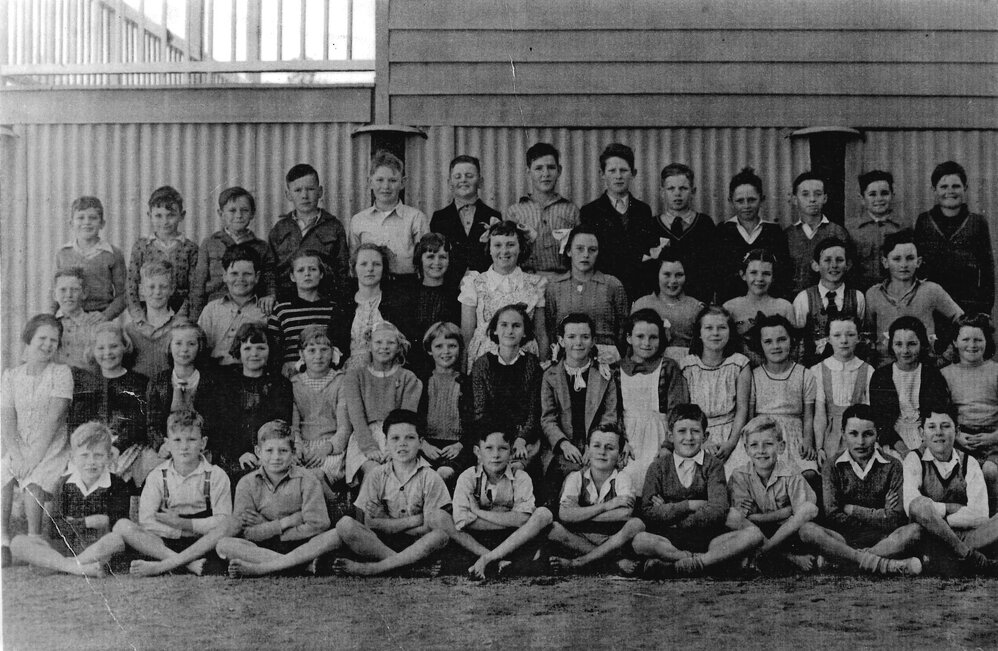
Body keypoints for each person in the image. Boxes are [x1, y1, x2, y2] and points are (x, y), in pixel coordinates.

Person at [632, 404, 764, 578]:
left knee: (753, 534)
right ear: (670, 436)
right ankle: (702, 561)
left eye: (695, 431)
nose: (689, 437)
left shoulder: (713, 465)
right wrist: (690, 505)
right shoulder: (658, 467)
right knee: (640, 541)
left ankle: (689, 565)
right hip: (669, 540)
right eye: (682, 431)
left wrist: (673, 514)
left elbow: (718, 509)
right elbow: (648, 511)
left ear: (705, 436)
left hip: (708, 538)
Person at [800, 404, 923, 575]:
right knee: (807, 530)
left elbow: (894, 518)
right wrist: (880, 513)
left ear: (877, 434)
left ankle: (845, 561)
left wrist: (851, 509)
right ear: (843, 433)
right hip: (842, 539)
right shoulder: (832, 466)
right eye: (853, 434)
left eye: (868, 434)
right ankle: (884, 565)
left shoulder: (893, 466)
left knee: (915, 531)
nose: (860, 442)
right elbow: (832, 515)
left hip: (883, 540)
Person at [113, 409, 232, 577]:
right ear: (167, 444)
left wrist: (185, 524)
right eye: (177, 440)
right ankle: (187, 563)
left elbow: (223, 521)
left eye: (191, 440)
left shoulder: (215, 475)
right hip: (166, 542)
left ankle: (166, 565)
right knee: (122, 526)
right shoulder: (157, 475)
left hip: (204, 541)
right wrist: (178, 531)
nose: (184, 447)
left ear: (203, 443)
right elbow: (147, 521)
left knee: (229, 526)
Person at [332, 409, 451, 576]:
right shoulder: (377, 475)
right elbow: (369, 523)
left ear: (420, 442)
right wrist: (414, 520)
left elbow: (427, 528)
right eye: (395, 438)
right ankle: (410, 568)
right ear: (386, 443)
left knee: (440, 535)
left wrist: (385, 521)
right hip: (380, 544)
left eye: (410, 438)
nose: (402, 444)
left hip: (418, 544)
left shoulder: (431, 477)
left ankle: (372, 569)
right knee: (345, 525)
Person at [431, 428, 554, 579]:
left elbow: (523, 519)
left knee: (544, 514)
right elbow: (462, 521)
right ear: (477, 451)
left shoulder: (521, 477)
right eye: (489, 448)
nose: (496, 455)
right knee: (439, 516)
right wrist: (510, 519)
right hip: (476, 539)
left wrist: (478, 512)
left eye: (503, 448)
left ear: (511, 452)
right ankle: (496, 559)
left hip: (511, 539)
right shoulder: (468, 477)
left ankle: (488, 559)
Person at [10, 422, 128, 577]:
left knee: (116, 540)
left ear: (109, 457)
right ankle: (75, 567)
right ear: (73, 458)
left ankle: (62, 565)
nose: (91, 461)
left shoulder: (117, 484)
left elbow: (116, 523)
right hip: (67, 547)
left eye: (98, 455)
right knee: (18, 543)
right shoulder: (64, 484)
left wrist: (73, 523)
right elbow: (55, 527)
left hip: (99, 548)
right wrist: (87, 522)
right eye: (84, 455)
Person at [1, 314, 73, 567]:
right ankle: (4, 541)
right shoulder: (11, 376)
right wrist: (18, 454)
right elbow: (7, 420)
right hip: (19, 444)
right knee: (2, 473)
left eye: (54, 340)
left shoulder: (61, 373)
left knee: (34, 478)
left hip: (51, 445)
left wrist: (32, 458)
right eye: (42, 338)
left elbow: (54, 420)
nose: (48, 344)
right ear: (29, 339)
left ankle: (34, 540)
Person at [216, 420, 331, 578]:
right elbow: (244, 532)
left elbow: (318, 524)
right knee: (224, 545)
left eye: (283, 451)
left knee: (331, 538)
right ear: (258, 451)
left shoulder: (308, 479)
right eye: (269, 450)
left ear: (293, 452)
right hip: (261, 548)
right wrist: (286, 522)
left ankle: (279, 565)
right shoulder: (247, 484)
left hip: (301, 545)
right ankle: (301, 566)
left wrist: (268, 528)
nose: (276, 457)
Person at [901, 409, 998, 575]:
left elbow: (980, 514)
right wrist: (955, 508)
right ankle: (969, 558)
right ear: (921, 433)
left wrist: (939, 513)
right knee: (919, 505)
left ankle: (945, 559)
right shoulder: (914, 459)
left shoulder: (969, 462)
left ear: (957, 431)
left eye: (945, 426)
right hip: (929, 537)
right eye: (932, 427)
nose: (939, 433)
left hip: (968, 536)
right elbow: (911, 506)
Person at [541, 314, 619, 505]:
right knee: (555, 489)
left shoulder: (604, 374)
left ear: (593, 341)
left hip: (596, 445)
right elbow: (548, 418)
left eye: (585, 337)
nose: (578, 343)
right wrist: (564, 444)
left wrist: (594, 445)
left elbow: (610, 415)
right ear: (561, 340)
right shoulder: (550, 375)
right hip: (563, 447)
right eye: (571, 337)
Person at [548, 424, 646, 575]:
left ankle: (579, 563)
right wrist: (607, 506)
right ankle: (614, 563)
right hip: (580, 538)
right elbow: (565, 515)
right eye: (596, 446)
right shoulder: (576, 477)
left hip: (612, 539)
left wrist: (580, 515)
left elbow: (625, 514)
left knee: (636, 524)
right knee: (554, 529)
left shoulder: (622, 478)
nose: (602, 452)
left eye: (610, 448)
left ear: (620, 455)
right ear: (587, 450)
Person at [725, 416, 819, 571]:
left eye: (768, 444)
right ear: (746, 449)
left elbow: (803, 512)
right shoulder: (739, 475)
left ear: (781, 447)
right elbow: (743, 517)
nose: (761, 451)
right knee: (731, 516)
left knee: (809, 509)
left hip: (787, 533)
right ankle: (788, 557)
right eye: (754, 445)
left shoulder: (791, 473)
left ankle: (763, 552)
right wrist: (785, 512)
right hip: (755, 532)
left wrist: (760, 516)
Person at [205, 323, 293, 481]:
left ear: (270, 350)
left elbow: (281, 424)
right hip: (231, 454)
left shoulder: (280, 384)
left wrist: (262, 453)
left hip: (270, 453)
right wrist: (239, 453)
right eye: (247, 348)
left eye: (261, 348)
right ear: (238, 349)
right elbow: (217, 426)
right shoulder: (225, 382)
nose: (254, 354)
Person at [864, 229, 963, 365]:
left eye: (910, 258)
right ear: (885, 262)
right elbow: (867, 335)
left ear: (918, 261)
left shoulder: (931, 290)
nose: (904, 265)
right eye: (897, 259)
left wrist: (947, 356)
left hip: (925, 367)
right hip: (885, 368)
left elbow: (962, 320)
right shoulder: (873, 294)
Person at [459, 220, 548, 371]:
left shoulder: (535, 284)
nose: (504, 251)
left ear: (520, 248)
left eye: (510, 244)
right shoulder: (475, 282)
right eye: (498, 245)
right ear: (490, 249)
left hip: (525, 361)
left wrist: (544, 366)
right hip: (485, 361)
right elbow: (467, 336)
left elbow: (540, 332)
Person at [342, 321, 423, 486]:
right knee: (373, 471)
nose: (384, 347)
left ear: (399, 347)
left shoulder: (408, 378)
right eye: (378, 342)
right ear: (369, 345)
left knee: (396, 471)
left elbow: (406, 420)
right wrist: (369, 448)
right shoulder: (355, 377)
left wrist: (391, 448)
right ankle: (364, 512)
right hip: (364, 438)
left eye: (390, 342)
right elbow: (357, 417)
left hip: (397, 437)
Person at [619, 309, 689, 492]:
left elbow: (677, 410)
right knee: (627, 479)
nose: (646, 343)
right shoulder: (616, 370)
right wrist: (620, 441)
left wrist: (668, 445)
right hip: (628, 439)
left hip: (659, 434)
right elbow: (613, 411)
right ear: (628, 338)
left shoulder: (668, 367)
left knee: (659, 478)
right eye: (640, 336)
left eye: (653, 337)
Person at [471, 303, 543, 476]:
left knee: (520, 470)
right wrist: (501, 441)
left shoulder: (532, 365)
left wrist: (521, 439)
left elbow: (534, 411)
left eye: (516, 326)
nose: (510, 331)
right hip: (493, 438)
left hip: (524, 438)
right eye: (504, 325)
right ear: (494, 330)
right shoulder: (483, 364)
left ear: (525, 332)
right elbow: (480, 411)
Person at [749, 314, 819, 491]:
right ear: (760, 345)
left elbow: (809, 416)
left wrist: (808, 440)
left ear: (792, 340)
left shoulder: (804, 375)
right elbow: (749, 417)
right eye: (768, 341)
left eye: (781, 340)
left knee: (807, 473)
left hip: (793, 436)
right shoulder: (754, 375)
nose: (776, 346)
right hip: (762, 435)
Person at [914, 160, 994, 316]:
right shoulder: (924, 221)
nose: (950, 191)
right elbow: (917, 265)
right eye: (943, 186)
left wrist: (985, 309)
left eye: (956, 186)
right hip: (932, 303)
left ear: (965, 188)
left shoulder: (977, 222)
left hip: (969, 302)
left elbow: (987, 270)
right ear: (934, 189)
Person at [578, 143, 657, 300]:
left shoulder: (643, 210)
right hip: (603, 290)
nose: (618, 176)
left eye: (623, 170)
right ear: (602, 174)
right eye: (612, 171)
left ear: (633, 173)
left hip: (638, 289)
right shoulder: (590, 211)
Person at [681, 306, 752, 476]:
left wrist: (731, 443)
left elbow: (742, 408)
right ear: (699, 333)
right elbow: (685, 411)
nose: (715, 333)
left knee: (737, 475)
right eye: (709, 328)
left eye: (722, 328)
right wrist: (703, 442)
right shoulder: (687, 366)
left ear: (729, 332)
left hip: (732, 433)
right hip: (696, 434)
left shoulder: (739, 364)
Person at [544, 224, 628, 365]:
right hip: (567, 358)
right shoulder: (555, 286)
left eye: (592, 250)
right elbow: (551, 328)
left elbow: (623, 328)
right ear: (569, 251)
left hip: (607, 359)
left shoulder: (612, 285)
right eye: (579, 249)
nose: (586, 255)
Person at [869, 316, 952, 459]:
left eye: (912, 344)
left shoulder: (931, 374)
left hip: (927, 438)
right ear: (891, 346)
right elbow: (880, 421)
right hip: (892, 441)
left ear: (922, 343)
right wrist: (904, 451)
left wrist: (923, 447)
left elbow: (938, 413)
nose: (905, 350)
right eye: (898, 344)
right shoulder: (881, 376)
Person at [268, 163, 349, 302]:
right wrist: (271, 295)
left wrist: (339, 301)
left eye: (310, 189)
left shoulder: (334, 227)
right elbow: (269, 268)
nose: (304, 195)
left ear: (320, 191)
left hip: (324, 300)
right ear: (288, 194)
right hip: (286, 300)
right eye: (298, 190)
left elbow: (342, 269)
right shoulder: (279, 229)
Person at [942, 314, 998, 513]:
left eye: (978, 340)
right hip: (960, 441)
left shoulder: (995, 371)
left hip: (993, 441)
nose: (971, 345)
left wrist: (993, 437)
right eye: (965, 339)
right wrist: (957, 436)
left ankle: (992, 522)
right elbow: (943, 413)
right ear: (955, 342)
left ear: (986, 342)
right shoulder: (946, 374)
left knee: (991, 471)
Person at [191, 186, 276, 318]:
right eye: (232, 210)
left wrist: (270, 296)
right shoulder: (210, 243)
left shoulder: (262, 247)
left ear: (252, 213)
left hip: (249, 308)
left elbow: (269, 279)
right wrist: (195, 319)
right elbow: (198, 285)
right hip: (216, 309)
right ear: (221, 213)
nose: (238, 215)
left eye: (244, 210)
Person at [89, 322, 156, 487]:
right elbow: (81, 419)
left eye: (113, 346)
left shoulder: (138, 382)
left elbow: (140, 421)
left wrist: (118, 445)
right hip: (93, 442)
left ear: (124, 347)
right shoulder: (88, 382)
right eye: (101, 348)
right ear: (93, 350)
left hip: (127, 443)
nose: (107, 353)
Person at [388, 233, 462, 378]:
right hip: (411, 369)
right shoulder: (407, 294)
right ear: (420, 260)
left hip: (445, 368)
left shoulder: (457, 296)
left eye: (443, 257)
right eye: (430, 257)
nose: (437, 262)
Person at [350, 150, 430, 281]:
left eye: (393, 180)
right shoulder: (358, 220)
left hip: (406, 285)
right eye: (379, 180)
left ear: (403, 183)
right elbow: (353, 263)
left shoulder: (416, 218)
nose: (386, 186)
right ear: (370, 182)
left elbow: (425, 261)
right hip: (371, 286)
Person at [715, 167, 791, 302]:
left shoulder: (774, 232)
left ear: (762, 199)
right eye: (740, 201)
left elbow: (782, 275)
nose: (746, 206)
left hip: (767, 307)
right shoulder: (722, 232)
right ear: (730, 201)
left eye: (751, 200)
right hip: (731, 307)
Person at [291, 325, 349, 499]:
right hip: (304, 446)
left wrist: (328, 447)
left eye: (324, 349)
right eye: (311, 350)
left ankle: (335, 503)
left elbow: (344, 427)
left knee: (315, 476)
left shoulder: (341, 381)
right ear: (302, 354)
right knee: (295, 477)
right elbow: (294, 427)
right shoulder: (295, 383)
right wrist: (298, 447)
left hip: (332, 447)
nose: (318, 356)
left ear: (333, 352)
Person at [505, 142, 580, 276]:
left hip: (562, 280)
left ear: (559, 170)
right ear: (529, 172)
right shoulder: (515, 211)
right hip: (526, 281)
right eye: (538, 168)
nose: (545, 174)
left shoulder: (571, 210)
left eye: (551, 167)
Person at [267, 249, 344, 378]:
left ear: (321, 274)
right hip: (291, 378)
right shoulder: (281, 310)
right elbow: (274, 351)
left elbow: (337, 348)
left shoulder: (333, 309)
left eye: (313, 269)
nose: (307, 274)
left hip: (325, 376)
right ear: (292, 276)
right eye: (300, 270)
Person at [647, 163, 717, 303]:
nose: (677, 193)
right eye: (671, 188)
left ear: (693, 191)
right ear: (662, 192)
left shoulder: (704, 224)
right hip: (661, 304)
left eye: (683, 188)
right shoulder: (651, 225)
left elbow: (712, 268)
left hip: (698, 301)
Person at [126, 185, 198, 319]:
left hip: (180, 314)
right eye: (158, 216)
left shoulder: (190, 248)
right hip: (148, 313)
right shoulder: (141, 247)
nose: (165, 222)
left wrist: (184, 316)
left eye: (171, 215)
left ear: (182, 215)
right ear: (150, 216)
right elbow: (131, 284)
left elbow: (194, 288)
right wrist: (137, 314)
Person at [792, 237, 866, 367]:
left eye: (839, 260)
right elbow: (798, 342)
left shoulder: (857, 297)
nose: (834, 265)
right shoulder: (804, 298)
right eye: (827, 260)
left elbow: (862, 338)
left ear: (848, 265)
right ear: (815, 265)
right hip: (813, 367)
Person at [811, 315, 874, 464]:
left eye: (850, 335)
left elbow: (871, 412)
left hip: (859, 436)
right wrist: (819, 447)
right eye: (837, 335)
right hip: (830, 436)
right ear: (828, 339)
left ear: (858, 338)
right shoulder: (818, 370)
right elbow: (820, 414)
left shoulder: (868, 370)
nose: (844, 340)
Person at [146, 322, 216, 456]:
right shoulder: (158, 382)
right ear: (169, 346)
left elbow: (216, 422)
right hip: (168, 446)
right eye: (178, 343)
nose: (184, 349)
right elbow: (152, 423)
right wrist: (161, 444)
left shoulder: (211, 382)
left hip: (201, 448)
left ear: (199, 347)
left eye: (191, 344)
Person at [417, 322, 474, 483]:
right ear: (429, 350)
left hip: (457, 447)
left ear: (460, 348)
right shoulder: (422, 381)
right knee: (423, 475)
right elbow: (412, 417)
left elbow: (475, 420)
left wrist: (461, 444)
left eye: (452, 346)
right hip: (427, 446)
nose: (446, 352)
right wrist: (422, 444)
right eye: (439, 346)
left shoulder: (467, 382)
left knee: (444, 472)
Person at [430, 154, 502, 280]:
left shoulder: (493, 216)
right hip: (449, 288)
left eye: (469, 176)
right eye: (458, 176)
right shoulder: (439, 218)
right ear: (450, 183)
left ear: (480, 181)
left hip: (485, 285)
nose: (463, 180)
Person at [54, 196, 126, 320]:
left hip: (100, 316)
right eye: (81, 218)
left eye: (92, 218)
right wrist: (49, 318)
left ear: (102, 223)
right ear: (71, 223)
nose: (86, 222)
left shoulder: (112, 254)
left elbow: (123, 295)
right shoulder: (63, 253)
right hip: (69, 317)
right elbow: (55, 291)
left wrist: (105, 316)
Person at [197, 244, 268, 369]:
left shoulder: (265, 309)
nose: (240, 279)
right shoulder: (212, 310)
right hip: (216, 374)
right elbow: (199, 348)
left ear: (257, 277)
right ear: (224, 276)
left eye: (247, 274)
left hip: (251, 373)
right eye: (234, 274)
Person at [784, 171, 851, 297]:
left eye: (818, 194)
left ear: (825, 198)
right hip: (794, 300)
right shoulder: (787, 235)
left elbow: (847, 271)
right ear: (794, 199)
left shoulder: (838, 232)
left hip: (830, 299)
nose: (812, 199)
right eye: (805, 194)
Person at [631, 251, 705, 362]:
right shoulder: (642, 304)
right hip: (649, 365)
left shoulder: (696, 307)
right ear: (657, 275)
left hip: (687, 364)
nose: (673, 281)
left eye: (679, 275)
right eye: (667, 274)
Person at [722, 249, 795, 349]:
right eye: (753, 272)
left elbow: (793, 346)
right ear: (743, 275)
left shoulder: (784, 307)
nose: (760, 278)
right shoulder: (730, 307)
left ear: (773, 277)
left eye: (766, 273)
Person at [125, 260, 185, 379]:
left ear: (172, 289)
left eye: (163, 287)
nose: (157, 292)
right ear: (141, 290)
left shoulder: (181, 326)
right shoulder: (130, 329)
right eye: (151, 287)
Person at [852, 170, 904, 291]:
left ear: (892, 195)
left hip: (895, 290)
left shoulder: (903, 228)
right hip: (861, 291)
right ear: (862, 198)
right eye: (872, 194)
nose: (879, 199)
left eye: (884, 193)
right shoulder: (852, 230)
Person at [52, 268, 104, 373]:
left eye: (74, 289)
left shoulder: (96, 324)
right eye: (63, 290)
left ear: (84, 293)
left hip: (88, 385)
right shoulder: (45, 325)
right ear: (54, 295)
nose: (68, 295)